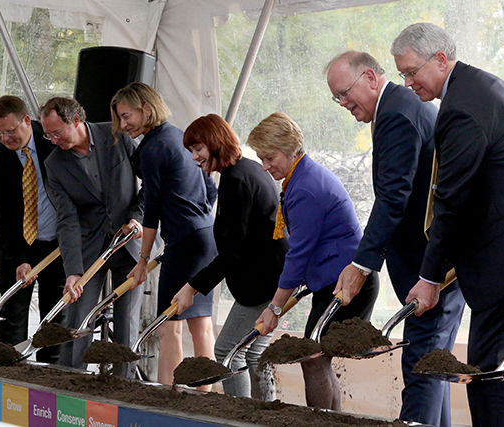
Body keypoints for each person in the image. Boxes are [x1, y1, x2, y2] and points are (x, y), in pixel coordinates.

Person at [391, 23, 504, 427]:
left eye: (412, 71)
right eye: (402, 74)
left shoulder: (462, 107)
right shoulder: (480, 87)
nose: (407, 82)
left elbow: (453, 200)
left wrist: (429, 277)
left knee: (489, 375)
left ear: (440, 59)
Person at [325, 51, 464, 426]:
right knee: (432, 368)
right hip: (432, 262)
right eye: (336, 97)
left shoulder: (398, 113)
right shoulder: (396, 108)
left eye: (345, 93)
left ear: (370, 77)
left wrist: (360, 264)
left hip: (432, 269)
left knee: (422, 369)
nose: (342, 104)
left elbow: (393, 197)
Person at [248, 112, 379, 411]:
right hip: (337, 280)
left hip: (347, 284)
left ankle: (320, 421)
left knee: (312, 356)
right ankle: (329, 420)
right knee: (316, 357)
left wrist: (275, 307)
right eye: (262, 159)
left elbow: (298, 254)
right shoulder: (301, 176)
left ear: (290, 148)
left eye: (269, 158)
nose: (266, 167)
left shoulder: (305, 187)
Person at [171, 114, 288, 401]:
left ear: (215, 142)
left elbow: (234, 251)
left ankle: (240, 417)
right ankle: (265, 415)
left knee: (227, 352)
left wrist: (192, 287)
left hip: (264, 282)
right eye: (191, 151)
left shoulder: (237, 180)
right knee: (254, 353)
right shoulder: (244, 171)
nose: (195, 157)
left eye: (198, 148)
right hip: (274, 276)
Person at [111, 82, 218, 387]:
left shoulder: (152, 148)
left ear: (146, 109)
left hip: (184, 241)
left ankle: (166, 396)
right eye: (119, 118)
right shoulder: (179, 136)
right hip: (206, 235)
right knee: (200, 322)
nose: (123, 124)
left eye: (126, 115)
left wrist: (143, 260)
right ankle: (204, 397)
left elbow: (152, 209)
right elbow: (209, 188)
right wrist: (195, 218)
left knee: (168, 324)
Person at [40, 97, 143, 377]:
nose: (52, 140)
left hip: (129, 242)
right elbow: (67, 219)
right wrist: (73, 272)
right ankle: (72, 382)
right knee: (78, 315)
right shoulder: (54, 165)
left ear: (76, 120)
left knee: (127, 322)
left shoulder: (117, 135)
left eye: (56, 132)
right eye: (47, 134)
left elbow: (150, 182)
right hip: (89, 247)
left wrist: (138, 215)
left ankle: (125, 386)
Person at [0, 95, 66, 364]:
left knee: (54, 319)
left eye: (10, 131)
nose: (5, 138)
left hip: (57, 244)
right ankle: (10, 383)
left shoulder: (54, 141)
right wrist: (19, 259)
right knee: (13, 318)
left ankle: (52, 377)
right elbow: (0, 219)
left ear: (27, 121)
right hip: (16, 247)